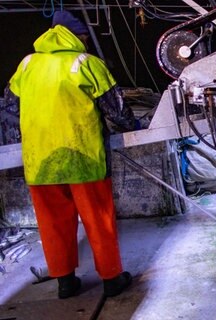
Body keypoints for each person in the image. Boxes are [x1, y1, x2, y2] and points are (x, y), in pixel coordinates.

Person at [2, 10, 135, 299]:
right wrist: (134, 126)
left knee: (53, 224)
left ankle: (65, 282)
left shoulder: (27, 64)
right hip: (83, 157)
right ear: (79, 36)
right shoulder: (86, 62)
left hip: (41, 162)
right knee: (98, 220)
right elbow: (116, 107)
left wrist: (24, 139)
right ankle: (112, 279)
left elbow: (9, 108)